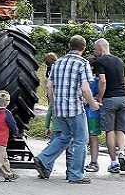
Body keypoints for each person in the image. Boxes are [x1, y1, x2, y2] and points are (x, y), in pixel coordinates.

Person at [34, 35, 100, 184]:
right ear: (83, 48)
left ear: (69, 46)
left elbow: (49, 85)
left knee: (65, 136)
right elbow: (85, 88)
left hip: (59, 108)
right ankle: (76, 174)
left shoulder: (58, 63)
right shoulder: (82, 63)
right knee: (81, 140)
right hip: (75, 108)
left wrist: (53, 103)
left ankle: (43, 158)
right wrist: (93, 103)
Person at [92, 38, 125, 174]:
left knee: (110, 131)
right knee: (120, 130)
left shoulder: (100, 62)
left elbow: (102, 81)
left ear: (101, 48)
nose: (94, 52)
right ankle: (121, 152)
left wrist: (100, 97)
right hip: (123, 98)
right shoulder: (119, 61)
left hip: (109, 98)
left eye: (95, 49)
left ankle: (114, 162)